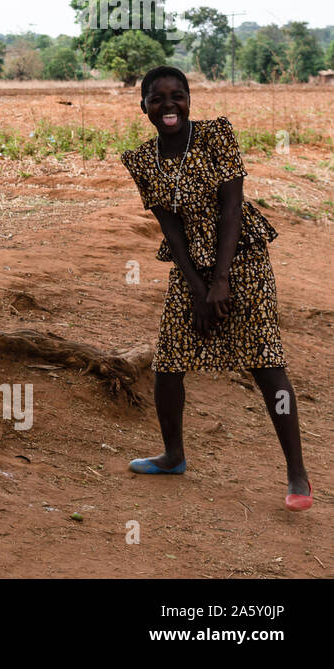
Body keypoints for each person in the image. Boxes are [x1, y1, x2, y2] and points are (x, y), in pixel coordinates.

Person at [121, 66, 311, 511]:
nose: (168, 105)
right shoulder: (143, 160)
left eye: (177, 96)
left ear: (189, 100)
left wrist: (221, 281)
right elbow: (170, 228)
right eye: (157, 97)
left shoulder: (216, 137)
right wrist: (197, 289)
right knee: (168, 365)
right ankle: (173, 455)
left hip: (242, 260)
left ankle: (297, 474)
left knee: (266, 363)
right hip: (191, 269)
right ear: (143, 105)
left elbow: (231, 209)